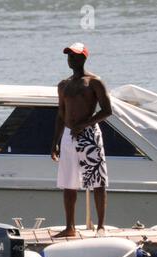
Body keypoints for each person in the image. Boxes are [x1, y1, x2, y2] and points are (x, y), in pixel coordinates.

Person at [51, 43, 112, 237]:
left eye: (75, 56)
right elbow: (61, 114)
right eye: (69, 56)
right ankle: (70, 227)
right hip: (69, 135)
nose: (71, 59)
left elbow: (107, 110)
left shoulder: (94, 82)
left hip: (89, 135)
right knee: (68, 183)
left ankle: (101, 226)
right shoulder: (63, 84)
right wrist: (55, 141)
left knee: (97, 180)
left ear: (84, 58)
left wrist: (84, 124)